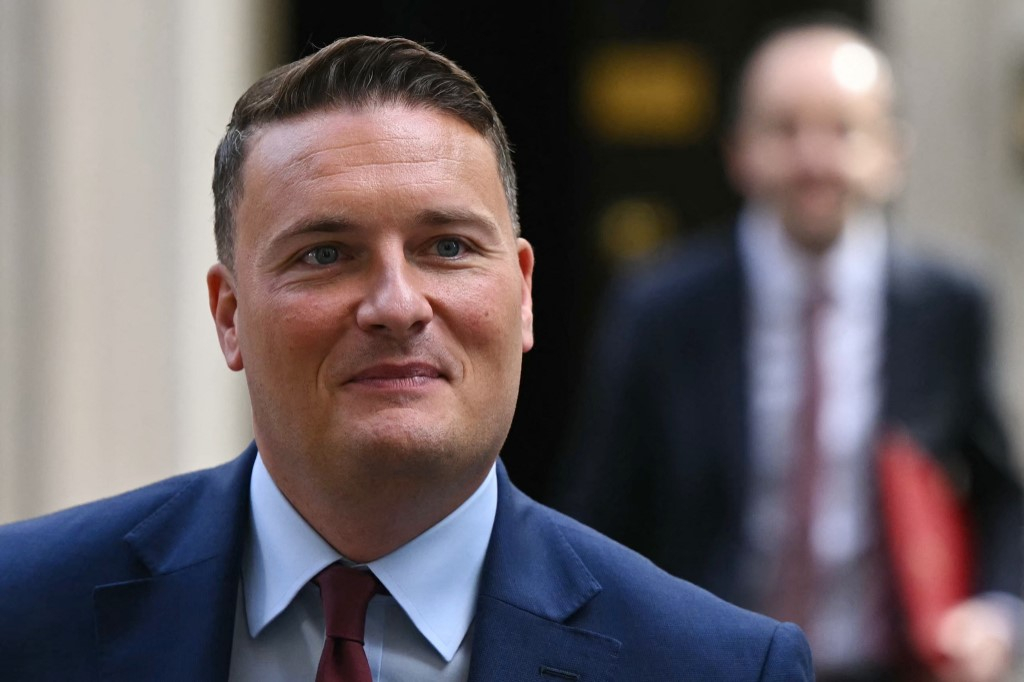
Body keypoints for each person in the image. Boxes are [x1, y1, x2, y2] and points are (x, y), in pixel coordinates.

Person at [0, 36, 812, 681]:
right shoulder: (23, 611)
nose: (396, 305)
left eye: (448, 247)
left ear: (523, 296)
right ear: (229, 316)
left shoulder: (716, 665)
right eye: (325, 254)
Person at [557, 19, 1024, 682]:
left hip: (892, 664)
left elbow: (999, 491)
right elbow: (599, 511)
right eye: (784, 129)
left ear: (893, 150)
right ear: (738, 150)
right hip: (710, 664)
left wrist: (996, 612)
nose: (813, 159)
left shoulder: (948, 306)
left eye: (843, 129)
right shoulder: (660, 309)